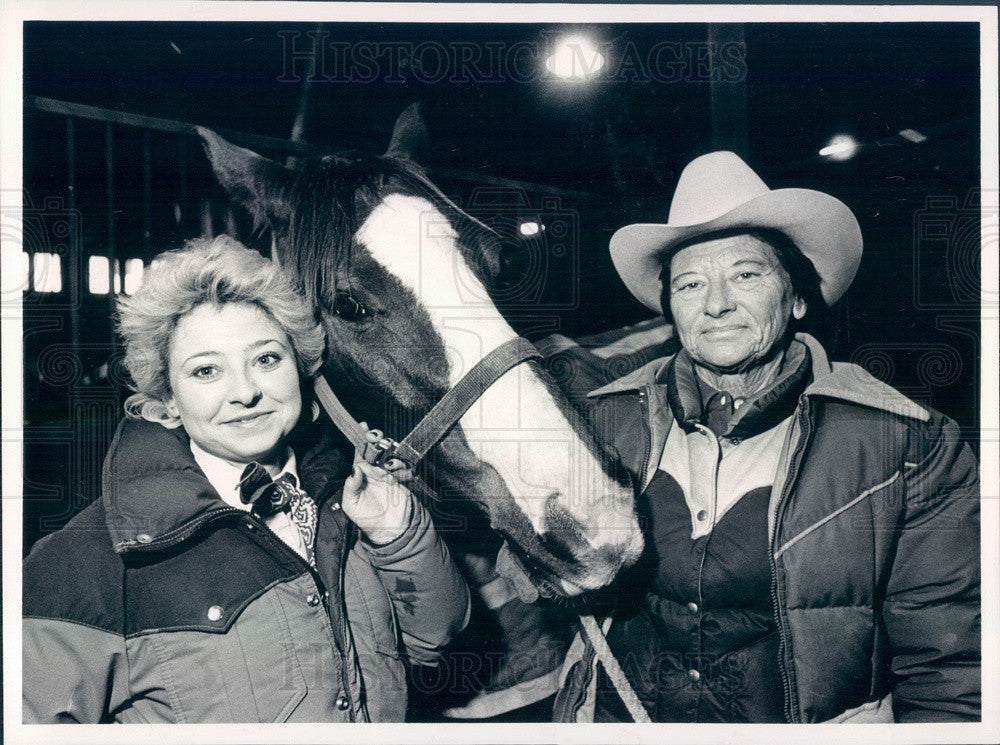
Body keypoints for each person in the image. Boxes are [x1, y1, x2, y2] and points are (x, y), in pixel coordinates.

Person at [553, 152, 980, 723]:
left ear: (798, 298)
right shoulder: (600, 423)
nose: (716, 303)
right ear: (670, 309)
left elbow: (950, 665)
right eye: (689, 283)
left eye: (746, 275)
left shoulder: (906, 444)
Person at [22, 235, 470, 723]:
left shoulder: (350, 497)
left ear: (300, 369)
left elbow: (434, 644)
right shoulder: (87, 561)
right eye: (207, 370)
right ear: (168, 400)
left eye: (266, 359)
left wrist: (397, 536)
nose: (245, 392)